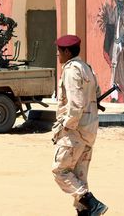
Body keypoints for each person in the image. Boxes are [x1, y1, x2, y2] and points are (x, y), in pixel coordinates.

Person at [52, 35, 108, 216]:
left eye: (59, 51)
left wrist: (66, 127)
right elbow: (95, 93)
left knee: (60, 171)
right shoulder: (86, 68)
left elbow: (75, 104)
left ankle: (92, 203)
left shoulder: (71, 70)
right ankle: (86, 210)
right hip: (90, 129)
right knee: (79, 176)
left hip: (75, 131)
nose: (58, 55)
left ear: (67, 52)